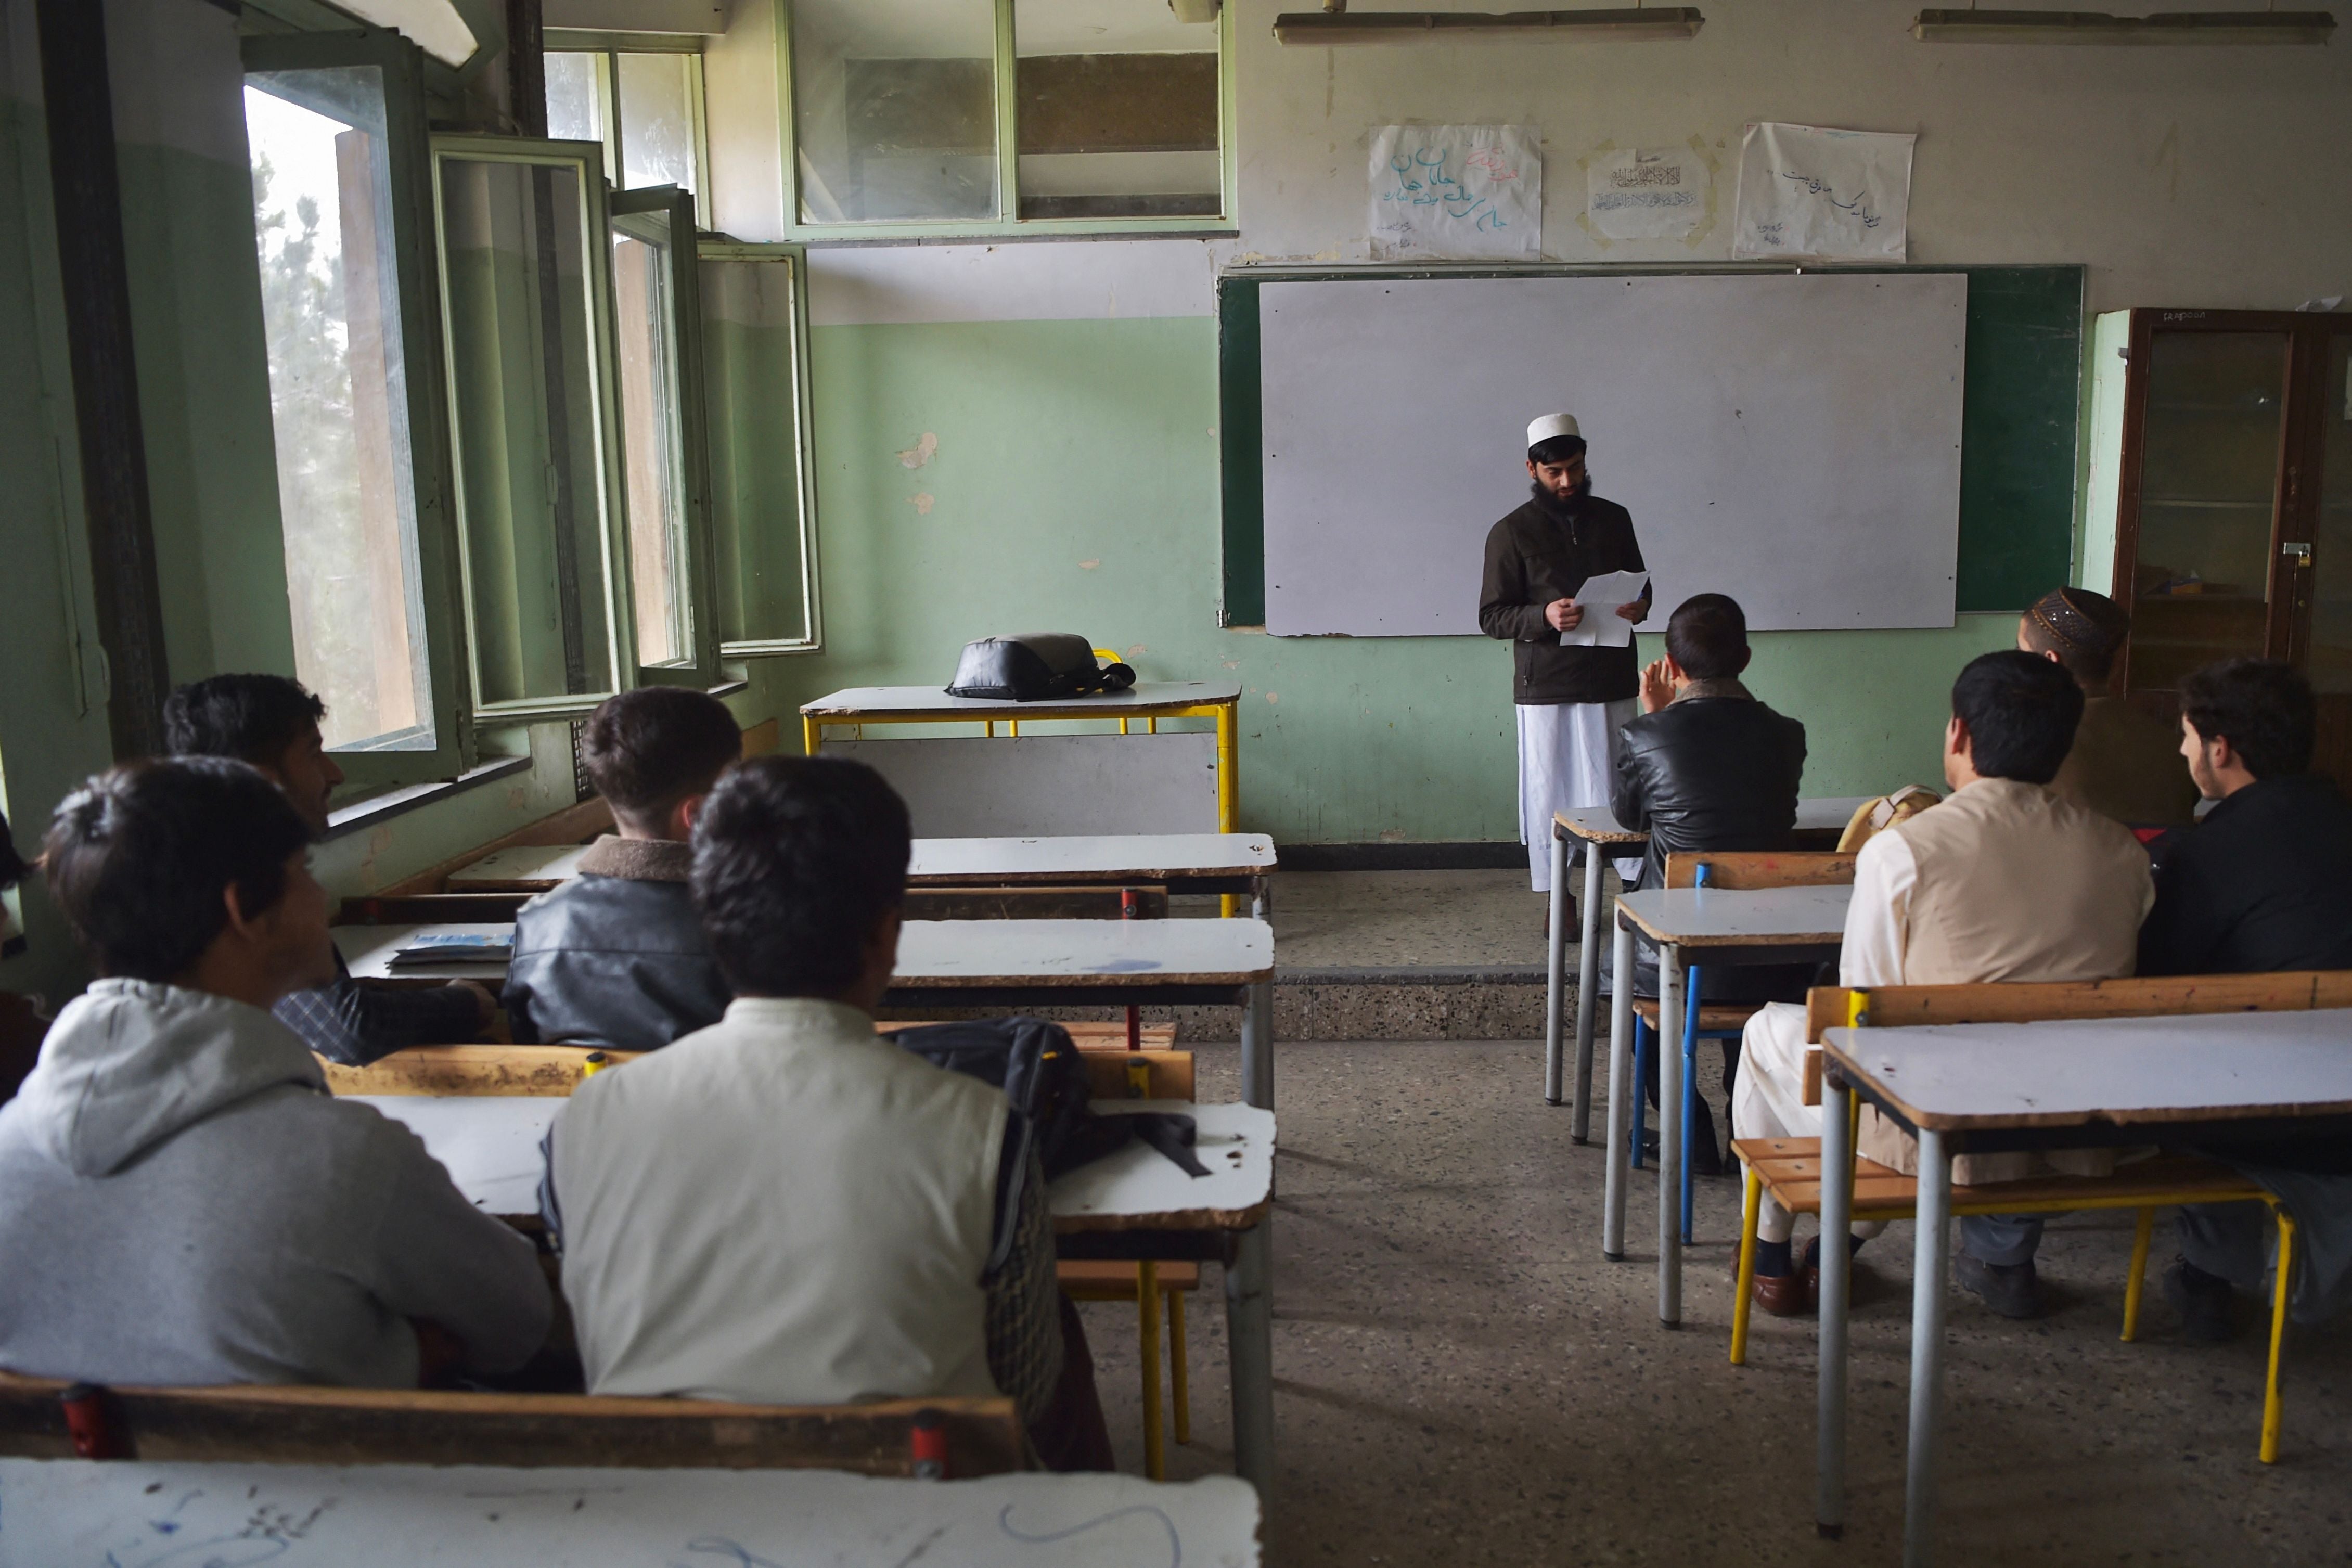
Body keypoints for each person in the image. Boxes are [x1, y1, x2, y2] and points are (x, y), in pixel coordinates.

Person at [544, 756, 1112, 1470]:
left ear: (711, 921)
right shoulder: (979, 1126)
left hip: (661, 1516)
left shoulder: (588, 1118)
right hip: (912, 1524)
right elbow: (1022, 1395)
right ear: (886, 935)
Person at [0, 759, 549, 1386]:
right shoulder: (345, 1157)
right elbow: (518, 1326)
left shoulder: (11, 1141)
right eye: (304, 873)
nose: (320, 896)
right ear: (248, 911)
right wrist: (397, 1351)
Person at [1732, 651, 2153, 1319]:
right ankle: (1836, 1247)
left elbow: (1861, 1011)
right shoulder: (2121, 850)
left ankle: (1771, 1250)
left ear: (1958, 735)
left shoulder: (1903, 849)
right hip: (2072, 1136)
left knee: (1768, 1031)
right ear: (2065, 742)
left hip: (1941, 1133)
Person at [2132, 659, 2352, 1341]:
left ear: (2220, 749)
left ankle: (2208, 1276)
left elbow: (2157, 983)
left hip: (2269, 1115)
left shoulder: (2205, 853)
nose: (2182, 750)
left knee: (2191, 1066)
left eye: (2188, 736)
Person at [164, 674, 492, 1064]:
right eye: (313, 753)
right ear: (263, 780)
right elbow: (349, 1029)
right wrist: (464, 1003)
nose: (335, 774)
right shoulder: (233, 885)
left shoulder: (230, 864)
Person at [1609, 593, 1808, 1170]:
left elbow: (1630, 818)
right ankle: (1746, 1121)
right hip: (1777, 957)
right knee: (1745, 1004)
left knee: (1620, 986)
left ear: (1670, 666)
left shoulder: (1646, 736)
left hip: (1676, 957)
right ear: (1746, 657)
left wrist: (1651, 716)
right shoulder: (1786, 734)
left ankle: (1688, 1136)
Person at [503, 687, 740, 1052]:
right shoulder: (752, 922)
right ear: (696, 815)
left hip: (576, 1106)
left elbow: (524, 1041)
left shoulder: (538, 921)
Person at [1480, 413, 1652, 911]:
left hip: (1612, 677)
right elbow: (1492, 616)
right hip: (1547, 686)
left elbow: (1641, 586)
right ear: (1531, 469)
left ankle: (1636, 894)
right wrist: (1544, 615)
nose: (1567, 482)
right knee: (1549, 790)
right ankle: (1562, 897)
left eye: (1574, 469)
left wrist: (1640, 606)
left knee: (1620, 785)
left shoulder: (1614, 518)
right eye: (1554, 472)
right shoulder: (1509, 532)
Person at [2017, 586, 2199, 829]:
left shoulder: (2027, 748)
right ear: (2118, 664)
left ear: (2052, 662)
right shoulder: (2177, 747)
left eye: (2021, 651)